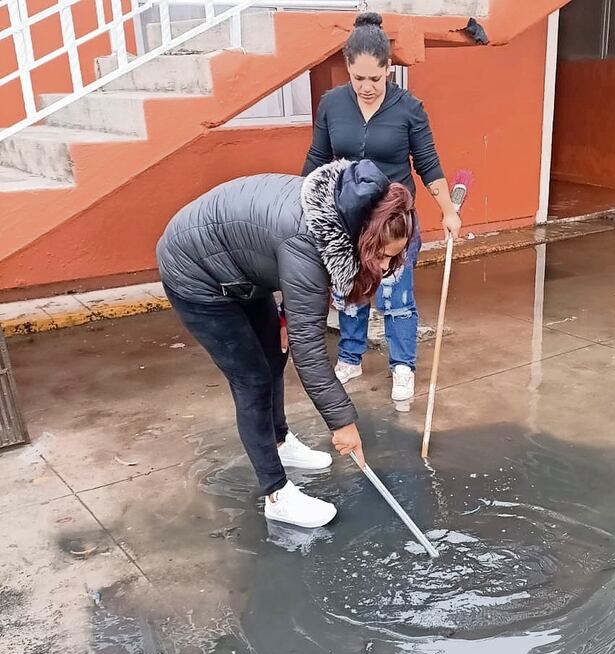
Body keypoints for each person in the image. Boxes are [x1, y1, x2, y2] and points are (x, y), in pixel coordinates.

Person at [156, 159, 415, 528]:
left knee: (273, 356)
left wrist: (282, 316)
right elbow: (309, 348)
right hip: (196, 273)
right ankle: (277, 493)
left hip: (239, 267)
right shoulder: (307, 240)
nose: (387, 267)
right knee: (252, 380)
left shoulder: (337, 211)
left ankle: (280, 441)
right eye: (383, 255)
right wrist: (342, 422)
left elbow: (272, 255)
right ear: (363, 236)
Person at [302, 11, 463, 403]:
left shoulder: (409, 108)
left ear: (389, 69)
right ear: (348, 70)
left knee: (396, 295)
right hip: (349, 218)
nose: (367, 87)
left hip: (394, 225)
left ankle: (403, 365)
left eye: (375, 78)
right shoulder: (332, 104)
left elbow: (428, 163)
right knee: (351, 291)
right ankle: (350, 357)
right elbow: (317, 159)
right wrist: (300, 202)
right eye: (359, 79)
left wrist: (448, 210)